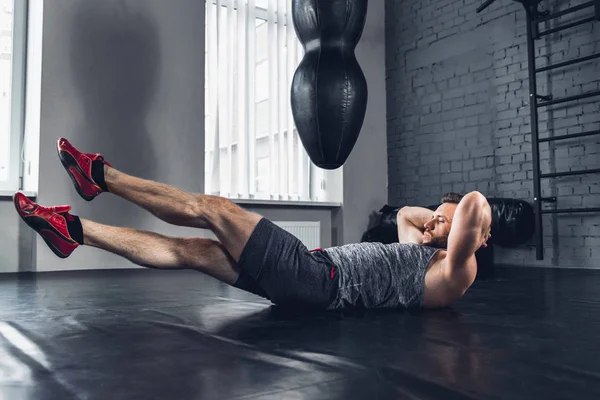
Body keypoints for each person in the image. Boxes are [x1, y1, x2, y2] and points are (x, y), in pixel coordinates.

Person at [14, 138, 492, 310]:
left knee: (214, 208)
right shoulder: (417, 248)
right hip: (307, 281)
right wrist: (433, 218)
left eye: (441, 226)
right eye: (432, 223)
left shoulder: (453, 273)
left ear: (472, 237)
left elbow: (473, 205)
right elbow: (409, 213)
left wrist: (460, 221)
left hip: (319, 279)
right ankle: (74, 232)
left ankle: (100, 177)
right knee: (190, 252)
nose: (428, 227)